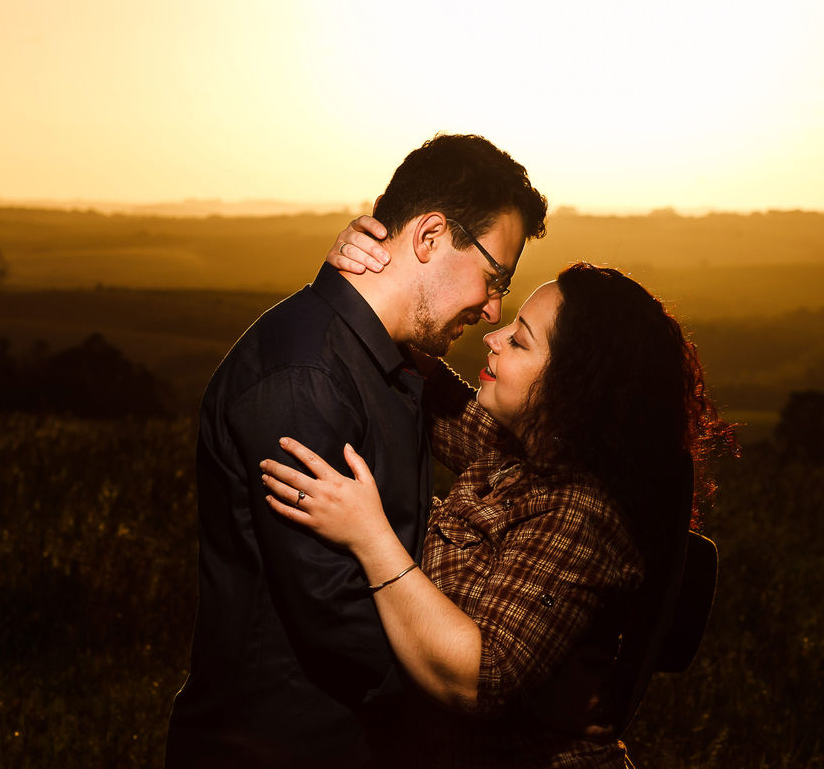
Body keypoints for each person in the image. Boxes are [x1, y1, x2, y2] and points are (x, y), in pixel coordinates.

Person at [260, 247, 735, 767]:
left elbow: (478, 679)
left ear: (570, 386)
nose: (493, 336)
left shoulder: (581, 512)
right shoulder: (521, 453)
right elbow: (421, 376)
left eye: (520, 340)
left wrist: (370, 536)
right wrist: (364, 262)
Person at [165, 134, 548, 768]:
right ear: (428, 237)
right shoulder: (306, 379)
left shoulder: (396, 363)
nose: (492, 308)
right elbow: (337, 615)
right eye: (494, 277)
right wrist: (481, 695)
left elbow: (514, 455)